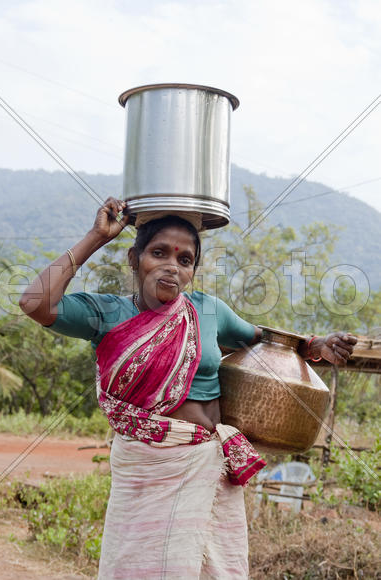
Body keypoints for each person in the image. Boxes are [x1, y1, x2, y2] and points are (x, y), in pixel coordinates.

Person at [19, 197, 357, 579]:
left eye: (184, 260)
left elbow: (265, 340)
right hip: (147, 469)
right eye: (158, 253)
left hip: (209, 465)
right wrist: (96, 237)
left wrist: (316, 345)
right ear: (134, 258)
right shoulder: (108, 313)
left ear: (193, 269)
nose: (171, 267)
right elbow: (34, 303)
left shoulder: (208, 310)